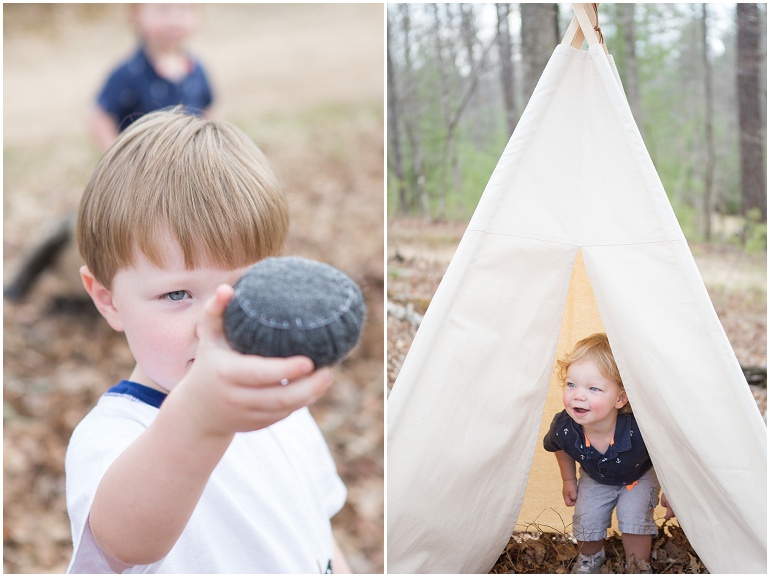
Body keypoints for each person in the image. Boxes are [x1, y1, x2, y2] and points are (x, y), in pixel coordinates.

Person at [65, 108, 351, 573]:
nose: (213, 323)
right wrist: (201, 416)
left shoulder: (282, 410)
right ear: (108, 300)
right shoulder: (114, 434)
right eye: (177, 294)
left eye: (241, 288)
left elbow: (319, 537)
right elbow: (127, 543)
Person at [4, 4, 213, 302]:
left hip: (183, 180)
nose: (174, 19)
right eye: (163, 10)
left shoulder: (197, 71)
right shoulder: (128, 73)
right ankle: (24, 281)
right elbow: (98, 116)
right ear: (136, 15)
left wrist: (208, 149)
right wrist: (118, 156)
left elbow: (208, 111)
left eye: (184, 9)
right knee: (78, 226)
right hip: (134, 178)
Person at [543, 333, 674, 574]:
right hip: (595, 477)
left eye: (593, 388)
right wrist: (568, 479)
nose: (578, 395)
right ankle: (590, 558)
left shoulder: (639, 428)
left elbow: (668, 453)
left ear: (620, 398)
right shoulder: (565, 427)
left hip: (639, 475)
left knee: (634, 517)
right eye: (571, 384)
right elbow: (559, 447)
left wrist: (673, 490)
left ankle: (637, 565)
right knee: (586, 519)